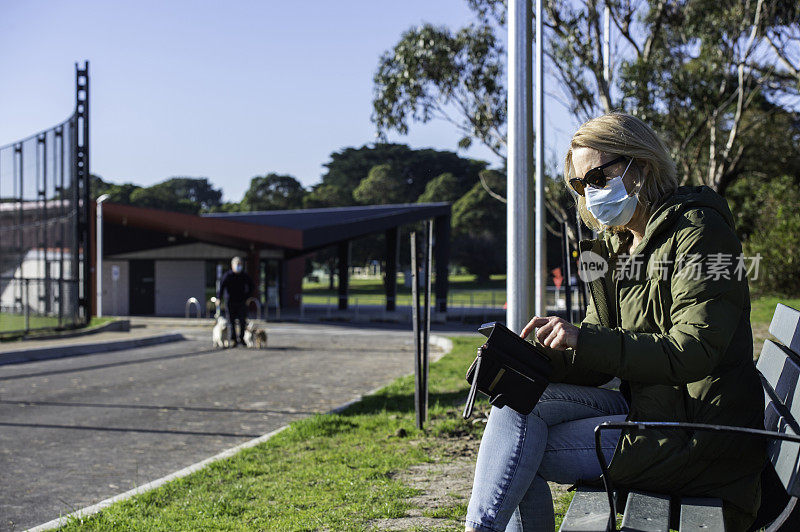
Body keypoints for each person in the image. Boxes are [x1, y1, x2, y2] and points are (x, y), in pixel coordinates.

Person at [465, 113, 765, 532]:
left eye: (597, 176)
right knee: (515, 403)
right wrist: (533, 358)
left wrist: (584, 339)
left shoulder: (700, 232)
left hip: (696, 433)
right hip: (647, 407)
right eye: (580, 184)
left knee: (518, 455)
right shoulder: (617, 244)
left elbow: (692, 351)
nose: (589, 193)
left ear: (640, 165)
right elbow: (599, 358)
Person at [217, 256, 254, 347]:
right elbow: (221, 287)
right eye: (236, 264)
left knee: (242, 321)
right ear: (232, 265)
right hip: (230, 301)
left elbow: (252, 286)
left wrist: (248, 297)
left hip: (242, 301)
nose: (238, 266)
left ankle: (241, 339)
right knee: (231, 321)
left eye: (240, 264)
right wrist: (219, 298)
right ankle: (233, 339)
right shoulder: (228, 276)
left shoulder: (244, 276)